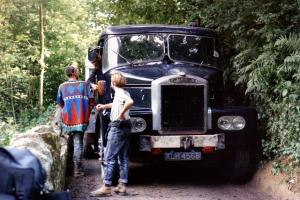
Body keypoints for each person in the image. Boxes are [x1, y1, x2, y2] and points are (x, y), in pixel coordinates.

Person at [90, 72, 134, 197]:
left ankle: (107, 186)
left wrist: (120, 114)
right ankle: (122, 185)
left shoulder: (120, 94)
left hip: (117, 128)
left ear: (113, 83)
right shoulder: (124, 92)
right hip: (126, 127)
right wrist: (104, 106)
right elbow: (118, 103)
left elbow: (130, 102)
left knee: (109, 158)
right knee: (123, 157)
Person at [56, 64, 94, 177]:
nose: (78, 71)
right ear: (73, 72)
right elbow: (91, 100)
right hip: (80, 118)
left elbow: (59, 102)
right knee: (78, 143)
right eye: (77, 70)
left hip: (66, 119)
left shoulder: (62, 86)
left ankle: (69, 168)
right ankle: (77, 170)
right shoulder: (84, 85)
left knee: (68, 142)